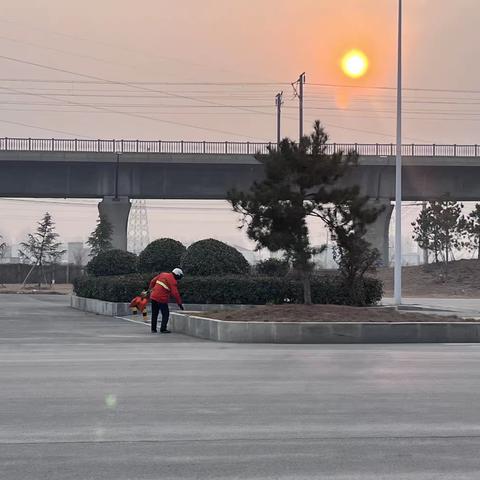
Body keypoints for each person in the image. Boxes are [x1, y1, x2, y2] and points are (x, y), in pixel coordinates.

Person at [149, 268, 184, 333]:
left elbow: (152, 281)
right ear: (177, 275)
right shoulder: (172, 280)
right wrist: (179, 303)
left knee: (154, 314)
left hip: (153, 296)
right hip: (161, 298)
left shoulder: (163, 274)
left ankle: (153, 329)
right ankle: (163, 329)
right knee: (165, 314)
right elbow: (175, 293)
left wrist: (151, 289)